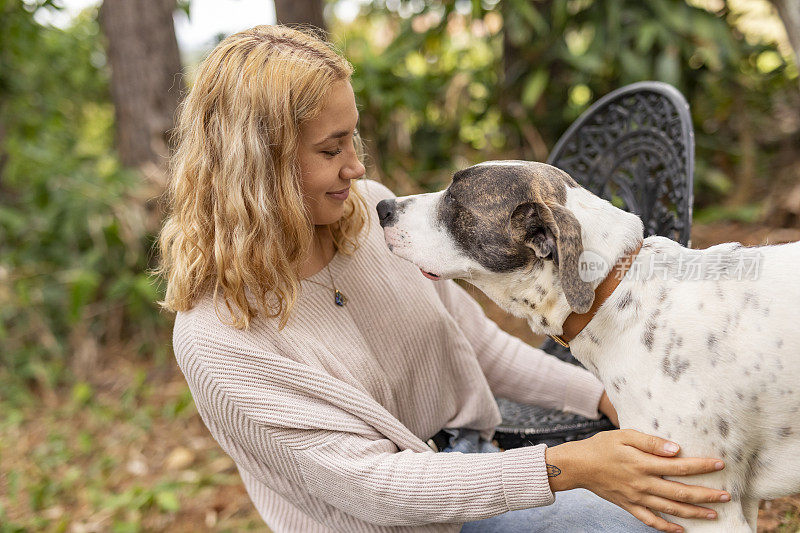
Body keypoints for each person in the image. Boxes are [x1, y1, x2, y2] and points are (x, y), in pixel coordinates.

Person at [157, 25, 731, 533]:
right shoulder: (218, 339)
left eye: (352, 138)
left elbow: (477, 349)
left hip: (480, 465)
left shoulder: (369, 218)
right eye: (331, 149)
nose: (356, 167)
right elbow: (376, 488)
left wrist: (602, 398)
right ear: (258, 166)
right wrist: (573, 467)